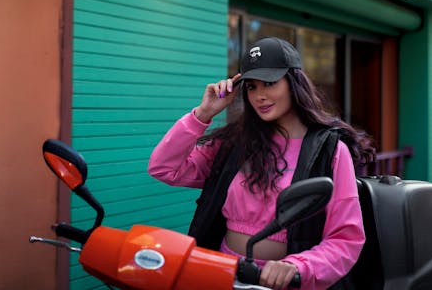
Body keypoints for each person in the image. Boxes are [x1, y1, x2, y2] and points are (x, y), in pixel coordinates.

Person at [148, 37, 375, 290]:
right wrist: (203, 113)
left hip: (287, 282)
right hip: (222, 274)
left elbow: (346, 238)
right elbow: (164, 168)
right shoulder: (234, 143)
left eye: (269, 83)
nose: (260, 96)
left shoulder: (330, 150)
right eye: (251, 87)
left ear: (293, 83)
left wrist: (299, 266)